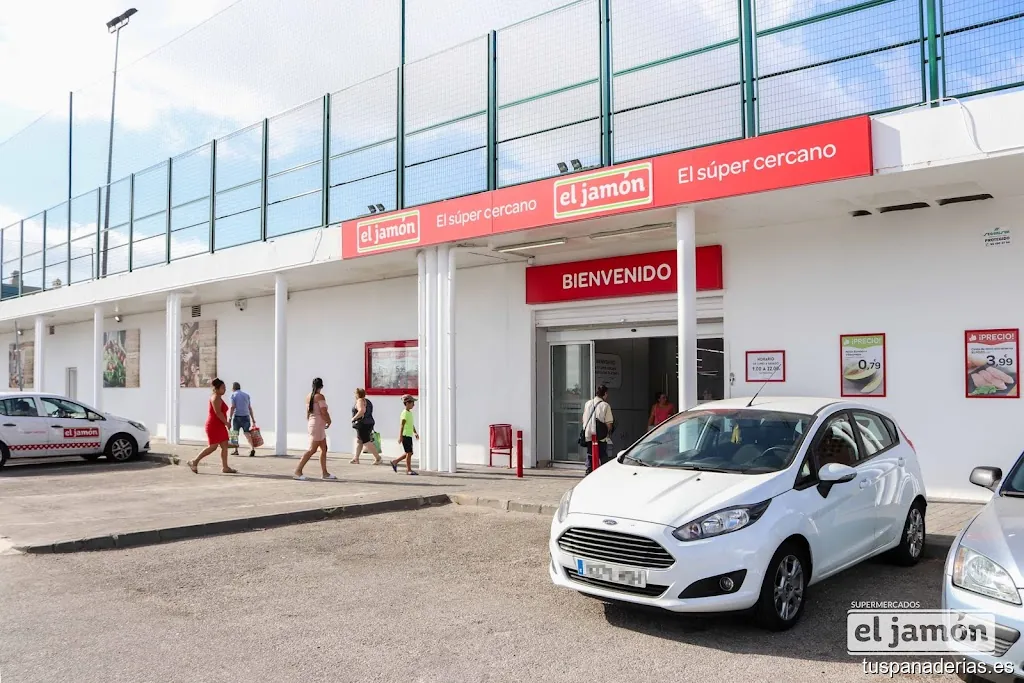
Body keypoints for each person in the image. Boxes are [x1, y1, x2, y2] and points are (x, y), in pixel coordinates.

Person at [187, 378, 237, 474]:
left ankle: (225, 467)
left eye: (225, 387)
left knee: (224, 446)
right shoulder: (215, 398)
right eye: (222, 388)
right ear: (216, 389)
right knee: (213, 447)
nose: (225, 389)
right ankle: (194, 461)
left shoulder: (218, 397)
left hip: (220, 425)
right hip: (214, 426)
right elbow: (218, 413)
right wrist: (226, 423)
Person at [294, 377, 335, 481]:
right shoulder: (320, 396)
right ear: (321, 386)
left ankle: (325, 473)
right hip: (317, 425)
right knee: (312, 449)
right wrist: (329, 421)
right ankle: (298, 471)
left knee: (324, 448)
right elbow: (324, 411)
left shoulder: (308, 396)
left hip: (314, 423)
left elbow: (308, 412)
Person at [581, 384, 614, 475]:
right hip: (600, 434)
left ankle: (589, 470)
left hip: (588, 433)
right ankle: (604, 472)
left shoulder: (587, 403)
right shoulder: (605, 405)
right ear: (605, 394)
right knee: (602, 454)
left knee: (590, 453)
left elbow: (583, 419)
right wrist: (608, 432)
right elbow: (609, 423)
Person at [350, 388, 383, 465]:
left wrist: (354, 418)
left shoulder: (360, 401)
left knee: (366, 441)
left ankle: (378, 458)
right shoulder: (368, 401)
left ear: (357, 394)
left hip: (362, 424)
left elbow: (362, 411)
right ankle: (356, 458)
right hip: (369, 422)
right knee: (359, 441)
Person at [390, 394, 418, 475]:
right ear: (407, 403)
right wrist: (400, 436)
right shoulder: (405, 413)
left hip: (409, 435)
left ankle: (395, 461)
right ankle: (408, 470)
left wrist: (415, 432)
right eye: (412, 403)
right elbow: (402, 425)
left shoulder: (409, 413)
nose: (414, 405)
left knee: (409, 452)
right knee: (409, 453)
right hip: (405, 435)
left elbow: (411, 424)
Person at [228, 382, 256, 457]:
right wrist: (253, 419)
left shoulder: (233, 395)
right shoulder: (246, 395)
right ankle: (252, 448)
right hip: (246, 416)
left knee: (234, 433)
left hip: (237, 416)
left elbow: (232, 407)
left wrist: (230, 418)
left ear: (233, 388)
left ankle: (235, 450)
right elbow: (249, 408)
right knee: (247, 433)